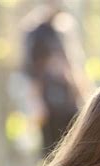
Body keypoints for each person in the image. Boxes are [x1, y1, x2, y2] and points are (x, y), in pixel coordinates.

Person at [23, 7, 85, 157]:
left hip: (68, 99)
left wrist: (83, 94)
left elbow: (72, 65)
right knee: (51, 151)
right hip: (49, 100)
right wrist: (36, 103)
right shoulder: (35, 33)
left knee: (72, 147)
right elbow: (31, 71)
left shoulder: (64, 29)